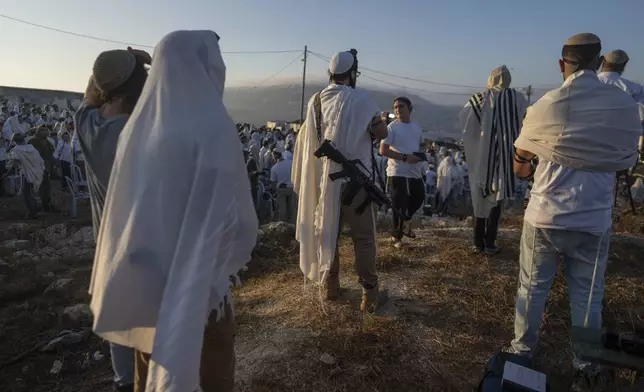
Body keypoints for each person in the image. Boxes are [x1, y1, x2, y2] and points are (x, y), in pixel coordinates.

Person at [89, 30, 257, 392]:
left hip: (147, 288)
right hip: (202, 294)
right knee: (211, 377)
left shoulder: (137, 131)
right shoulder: (212, 129)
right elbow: (236, 222)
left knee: (149, 374)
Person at [510, 33, 641, 391]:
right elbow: (628, 159)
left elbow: (520, 167)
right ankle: (585, 367)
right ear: (600, 64)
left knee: (532, 289)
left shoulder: (546, 106)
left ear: (561, 65)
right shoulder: (625, 106)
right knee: (588, 298)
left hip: (545, 216)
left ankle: (521, 354)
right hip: (593, 220)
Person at [75, 47, 150, 392]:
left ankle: (124, 383)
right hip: (144, 249)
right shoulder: (140, 138)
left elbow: (90, 95)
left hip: (107, 246)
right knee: (151, 332)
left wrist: (118, 69)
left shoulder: (87, 125)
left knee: (118, 319)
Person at [292, 49, 388, 312]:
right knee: (364, 239)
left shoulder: (315, 101)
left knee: (328, 236)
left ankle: (331, 287)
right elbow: (381, 132)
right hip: (355, 185)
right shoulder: (362, 99)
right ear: (352, 74)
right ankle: (370, 294)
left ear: (331, 74)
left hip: (326, 185)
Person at [460, 65, 528, 255]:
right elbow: (527, 120)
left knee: (479, 199)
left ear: (490, 79)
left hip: (481, 159)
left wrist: (479, 142)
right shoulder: (518, 99)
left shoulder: (478, 99)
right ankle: (489, 243)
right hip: (505, 159)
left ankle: (477, 242)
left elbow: (466, 125)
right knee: (497, 202)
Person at [380, 97, 425, 248]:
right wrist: (405, 157)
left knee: (419, 197)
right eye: (395, 107)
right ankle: (396, 237)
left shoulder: (417, 128)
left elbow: (419, 146)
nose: (397, 109)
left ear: (410, 108)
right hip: (397, 171)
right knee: (399, 204)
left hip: (415, 171)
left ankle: (405, 223)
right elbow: (383, 150)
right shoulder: (392, 127)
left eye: (401, 106)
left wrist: (419, 157)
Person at [597, 49, 644, 150]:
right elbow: (641, 118)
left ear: (603, 62)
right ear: (624, 64)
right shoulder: (636, 89)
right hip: (622, 150)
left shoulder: (586, 84)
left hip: (588, 147)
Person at [6, 133, 44, 218]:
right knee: (30, 192)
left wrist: (7, 173)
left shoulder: (16, 150)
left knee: (26, 193)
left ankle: (32, 213)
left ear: (14, 141)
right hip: (36, 172)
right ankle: (36, 207)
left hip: (26, 173)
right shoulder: (32, 148)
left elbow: (15, 163)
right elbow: (40, 161)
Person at [28, 126, 55, 212]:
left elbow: (51, 153)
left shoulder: (48, 141)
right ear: (37, 132)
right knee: (37, 188)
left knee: (46, 187)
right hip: (37, 168)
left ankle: (45, 204)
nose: (45, 132)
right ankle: (38, 206)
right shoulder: (32, 141)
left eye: (46, 130)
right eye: (42, 130)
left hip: (46, 167)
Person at [270, 150, 297, 223]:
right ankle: (293, 225)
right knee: (292, 209)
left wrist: (274, 192)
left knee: (282, 210)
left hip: (281, 190)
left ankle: (284, 226)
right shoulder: (291, 163)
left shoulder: (274, 168)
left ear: (274, 158)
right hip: (292, 188)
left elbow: (273, 182)